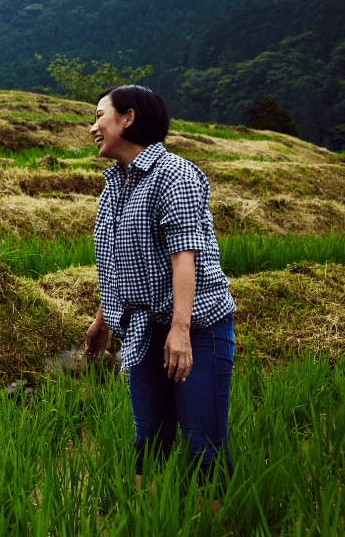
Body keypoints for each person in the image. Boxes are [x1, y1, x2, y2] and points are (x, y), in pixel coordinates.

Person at [83, 85, 237, 502]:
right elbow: (118, 264)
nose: (93, 127)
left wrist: (181, 331)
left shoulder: (175, 175)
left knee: (203, 446)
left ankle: (214, 526)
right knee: (148, 440)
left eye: (100, 116)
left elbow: (183, 257)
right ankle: (145, 519)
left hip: (196, 329)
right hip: (144, 330)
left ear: (128, 118)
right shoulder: (116, 183)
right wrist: (103, 322)